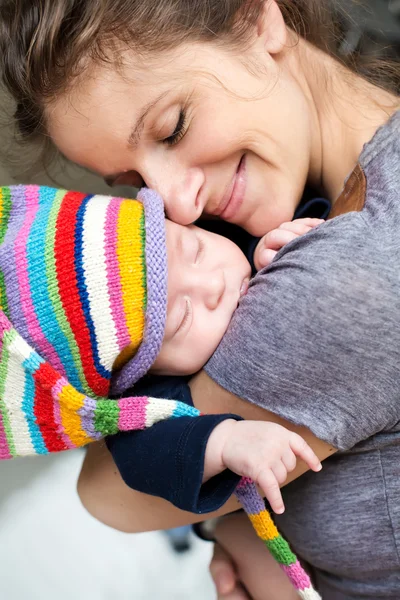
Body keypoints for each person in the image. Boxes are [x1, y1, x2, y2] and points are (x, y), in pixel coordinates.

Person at [1, 1, 400, 598]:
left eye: (172, 128)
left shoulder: (350, 275)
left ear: (255, 19)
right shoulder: (313, 202)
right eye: (136, 184)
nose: (179, 208)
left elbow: (111, 495)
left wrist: (238, 537)